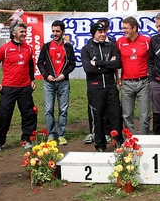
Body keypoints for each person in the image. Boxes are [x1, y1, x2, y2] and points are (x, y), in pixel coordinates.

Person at [0, 20, 37, 151]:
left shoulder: (29, 48)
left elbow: (31, 65)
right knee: (4, 115)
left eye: (25, 31)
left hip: (25, 87)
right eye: (21, 31)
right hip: (8, 88)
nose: (24, 34)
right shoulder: (4, 48)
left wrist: (32, 80)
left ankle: (27, 139)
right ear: (14, 33)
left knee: (29, 114)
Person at [81, 22, 123, 151]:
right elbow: (88, 69)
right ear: (94, 33)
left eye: (104, 32)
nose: (103, 34)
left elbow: (117, 63)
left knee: (116, 115)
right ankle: (100, 145)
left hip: (110, 86)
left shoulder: (110, 46)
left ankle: (118, 142)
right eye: (100, 32)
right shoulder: (87, 49)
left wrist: (98, 64)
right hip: (95, 87)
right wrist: (107, 65)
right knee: (97, 117)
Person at [37, 20, 76, 145]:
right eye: (53, 31)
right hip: (49, 83)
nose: (55, 33)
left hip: (63, 83)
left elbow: (72, 64)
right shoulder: (46, 46)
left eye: (57, 31)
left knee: (63, 109)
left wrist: (64, 74)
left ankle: (61, 134)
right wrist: (46, 75)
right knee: (48, 109)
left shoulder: (68, 47)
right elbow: (39, 63)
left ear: (63, 32)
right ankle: (51, 134)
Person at [116, 16, 151, 135]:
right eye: (122, 28)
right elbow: (116, 62)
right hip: (126, 83)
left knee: (145, 115)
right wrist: (118, 78)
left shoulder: (146, 41)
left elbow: (153, 59)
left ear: (134, 28)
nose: (123, 30)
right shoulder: (120, 42)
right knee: (126, 115)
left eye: (126, 28)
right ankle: (131, 142)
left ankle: (144, 141)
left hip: (143, 82)